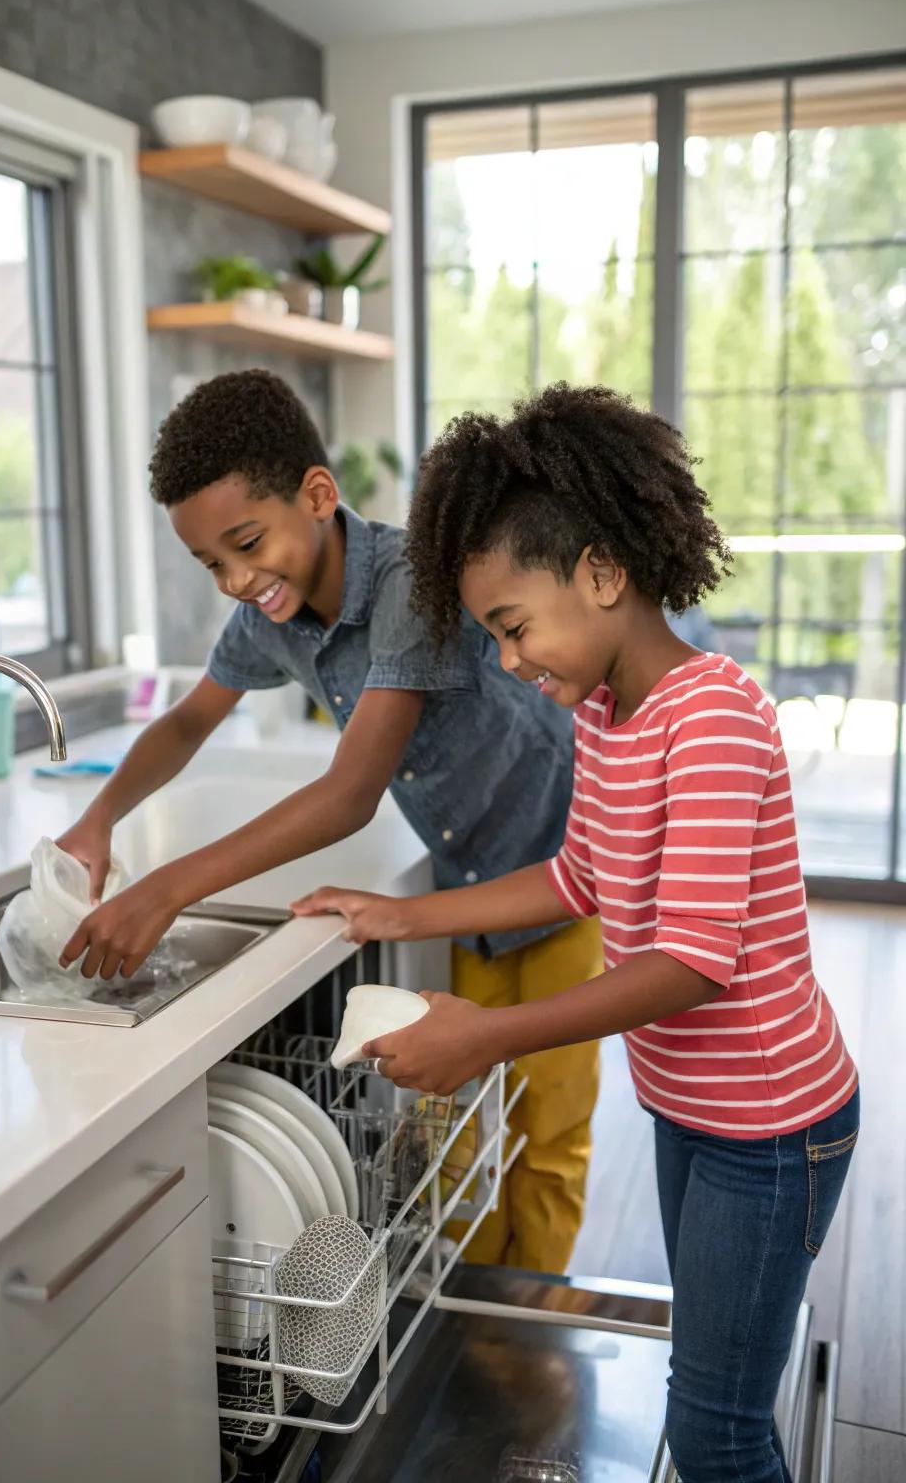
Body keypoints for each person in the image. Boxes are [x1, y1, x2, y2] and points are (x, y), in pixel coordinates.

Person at [292, 384, 859, 1483]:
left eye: (513, 627)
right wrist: (404, 915)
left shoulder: (715, 717)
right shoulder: (607, 713)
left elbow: (694, 963)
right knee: (720, 1386)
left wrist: (490, 1036)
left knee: (712, 1429)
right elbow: (577, 875)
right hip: (695, 1113)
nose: (507, 661)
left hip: (774, 1130)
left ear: (601, 572)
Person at [56, 368, 601, 1275]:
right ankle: (478, 1317)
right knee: (464, 1123)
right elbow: (191, 718)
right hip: (467, 886)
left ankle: (533, 1319)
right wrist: (99, 817)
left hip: (561, 870)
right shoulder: (270, 614)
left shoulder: (406, 582)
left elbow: (350, 793)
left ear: (317, 494)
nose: (236, 579)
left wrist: (167, 888)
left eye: (245, 542)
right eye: (210, 563)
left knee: (548, 1129)